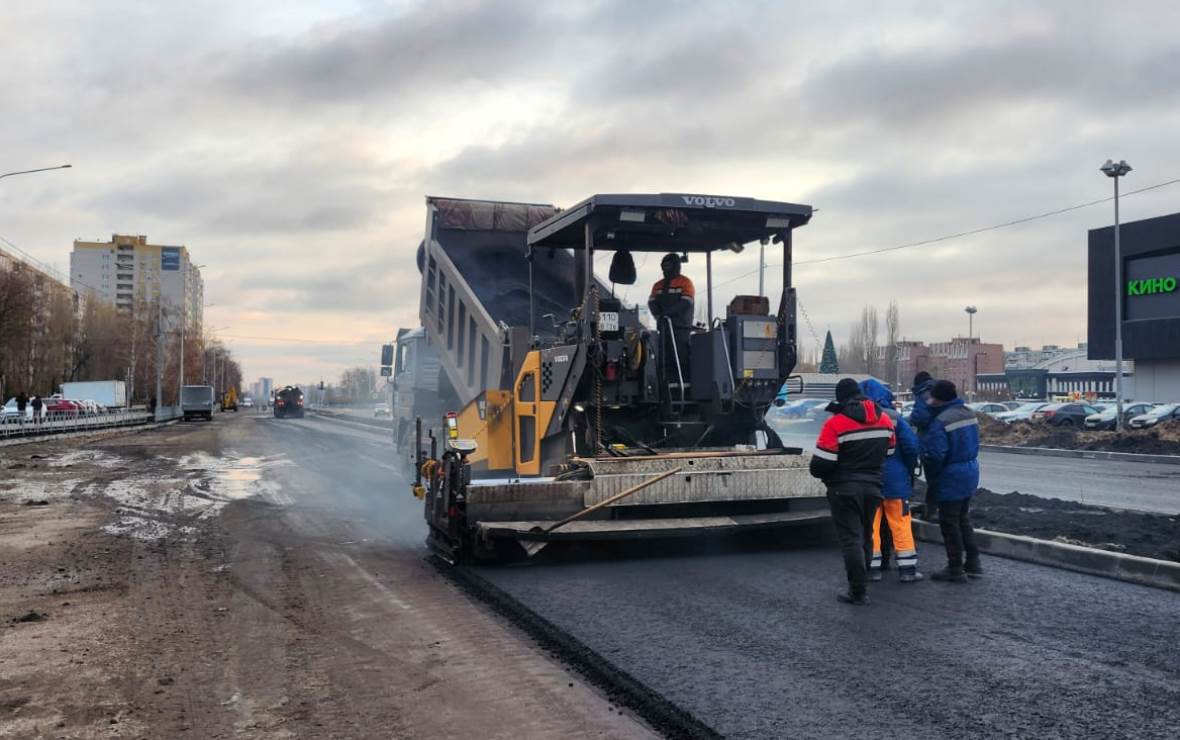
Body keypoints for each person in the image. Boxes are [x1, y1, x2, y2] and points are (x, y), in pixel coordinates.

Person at [809, 377, 896, 605]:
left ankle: (857, 591)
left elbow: (821, 464)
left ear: (841, 399)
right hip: (874, 487)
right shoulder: (885, 420)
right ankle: (863, 584)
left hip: (844, 489)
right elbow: (889, 452)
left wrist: (827, 475)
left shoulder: (836, 424)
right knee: (866, 536)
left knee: (851, 539)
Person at [860, 379, 923, 583]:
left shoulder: (858, 417)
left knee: (871, 525)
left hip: (869, 480)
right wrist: (908, 469)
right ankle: (908, 570)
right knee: (901, 523)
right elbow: (911, 447)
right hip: (896, 481)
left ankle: (873, 568)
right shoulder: (896, 418)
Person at [921, 380, 983, 583]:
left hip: (951, 474)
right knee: (963, 519)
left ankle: (955, 568)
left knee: (949, 523)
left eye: (932, 397)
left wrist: (933, 475)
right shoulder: (969, 413)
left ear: (939, 398)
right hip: (970, 470)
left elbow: (937, 455)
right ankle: (973, 563)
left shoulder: (942, 420)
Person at [908, 370, 939, 520]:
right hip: (941, 438)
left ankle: (932, 511)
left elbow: (920, 417)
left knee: (933, 478)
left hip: (929, 440)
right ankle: (938, 509)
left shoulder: (924, 393)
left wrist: (912, 417)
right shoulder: (938, 390)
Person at [647, 253, 695, 329]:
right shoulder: (658, 285)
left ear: (675, 266)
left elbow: (686, 302)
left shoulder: (685, 282)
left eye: (668, 265)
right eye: (664, 266)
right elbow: (652, 302)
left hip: (682, 326)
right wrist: (658, 315)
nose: (666, 268)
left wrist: (667, 313)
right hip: (663, 326)